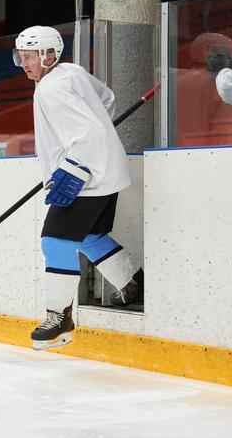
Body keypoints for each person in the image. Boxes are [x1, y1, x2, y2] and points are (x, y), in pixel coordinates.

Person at [13, 26, 143, 350]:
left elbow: (87, 137)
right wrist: (95, 128)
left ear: (47, 55)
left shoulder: (50, 90)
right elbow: (107, 101)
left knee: (54, 241)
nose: (23, 63)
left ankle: (59, 319)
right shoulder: (70, 73)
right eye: (21, 56)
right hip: (106, 170)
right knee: (86, 235)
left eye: (29, 56)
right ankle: (131, 283)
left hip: (87, 176)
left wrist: (72, 172)